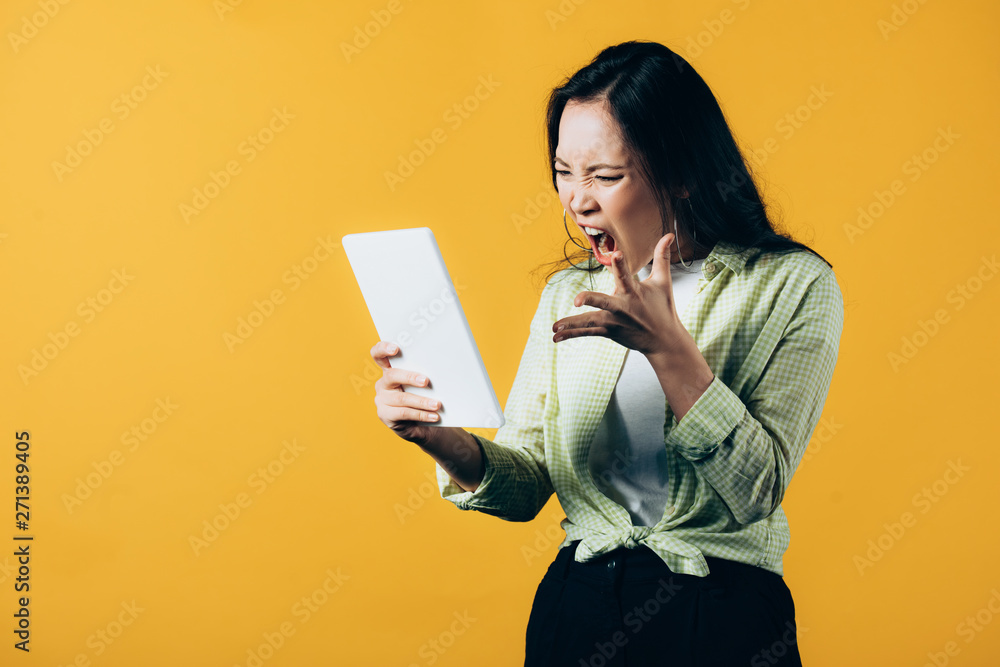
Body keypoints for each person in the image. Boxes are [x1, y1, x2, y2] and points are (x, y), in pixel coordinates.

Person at [370, 40, 843, 667]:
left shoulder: (793, 284)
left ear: (681, 170)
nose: (577, 200)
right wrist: (436, 436)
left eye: (606, 176)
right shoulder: (567, 294)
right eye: (565, 172)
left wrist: (667, 349)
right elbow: (527, 483)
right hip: (580, 607)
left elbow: (756, 490)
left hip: (723, 613)